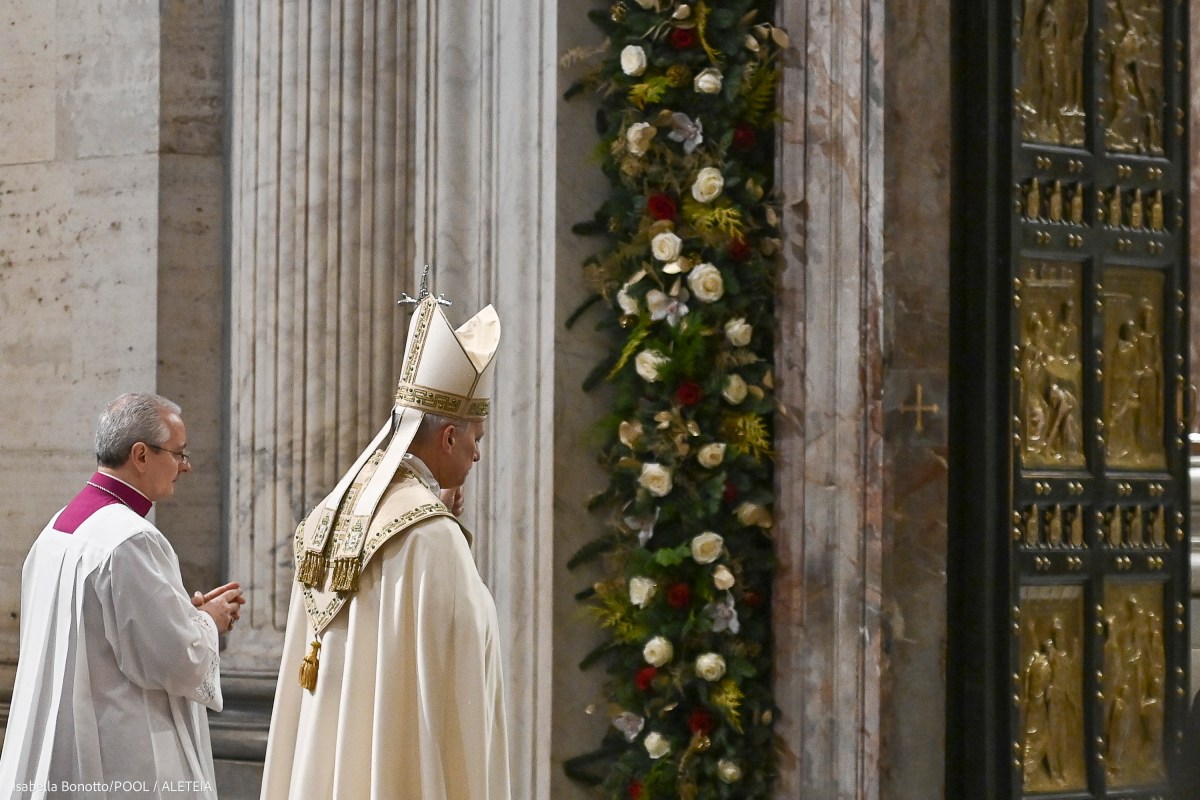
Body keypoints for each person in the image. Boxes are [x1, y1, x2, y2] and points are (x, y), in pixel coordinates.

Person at [260, 293, 509, 799]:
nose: (478, 454)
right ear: (446, 439)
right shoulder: (431, 537)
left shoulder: (337, 513)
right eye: (475, 438)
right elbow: (463, 656)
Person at [0, 393, 244, 799]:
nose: (186, 466)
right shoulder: (131, 540)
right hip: (117, 753)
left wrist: (183, 614)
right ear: (141, 455)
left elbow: (102, 627)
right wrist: (209, 621)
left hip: (59, 739)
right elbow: (174, 659)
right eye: (178, 454)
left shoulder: (59, 527)